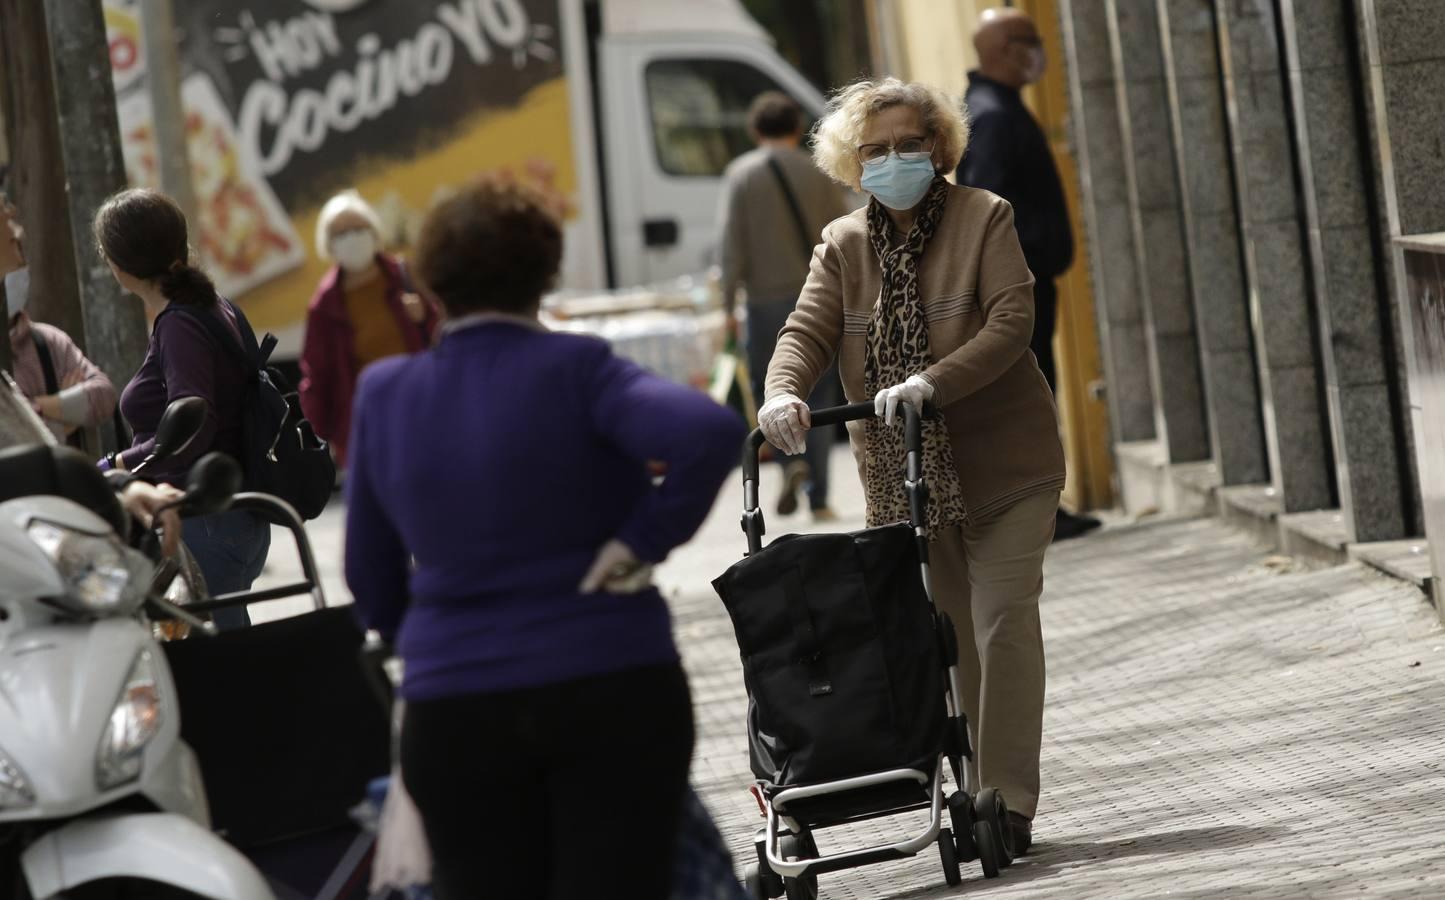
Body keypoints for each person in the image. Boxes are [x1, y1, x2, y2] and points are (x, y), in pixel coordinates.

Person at [344, 175, 742, 900]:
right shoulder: (578, 369)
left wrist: (430, 641)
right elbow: (708, 431)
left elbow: (369, 575)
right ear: (546, 273)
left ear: (430, 281)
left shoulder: (385, 394)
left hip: (455, 704)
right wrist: (640, 541)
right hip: (609, 680)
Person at [757, 78, 1065, 855]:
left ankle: (1004, 801)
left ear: (938, 148)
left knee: (1001, 625)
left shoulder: (982, 217)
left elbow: (1010, 321)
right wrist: (781, 394)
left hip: (1006, 461)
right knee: (944, 634)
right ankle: (965, 791)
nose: (894, 159)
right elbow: (804, 332)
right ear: (851, 160)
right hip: (904, 478)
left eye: (909, 143)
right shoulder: (843, 244)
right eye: (876, 148)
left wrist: (934, 382)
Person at [93, 188, 268, 630]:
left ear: (122, 263)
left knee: (216, 674)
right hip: (230, 515)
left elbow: (195, 419)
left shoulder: (180, 324)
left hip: (205, 522)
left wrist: (121, 463)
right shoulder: (209, 305)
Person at [957, 7, 1101, 542]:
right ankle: (1037, 509)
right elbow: (991, 210)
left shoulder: (999, 108)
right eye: (1028, 39)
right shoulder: (993, 114)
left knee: (1035, 392)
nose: (1038, 48)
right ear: (999, 49)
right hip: (1019, 285)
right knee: (1030, 395)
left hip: (1026, 280)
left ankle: (1042, 506)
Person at [718, 91, 850, 522]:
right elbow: (843, 232)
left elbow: (732, 248)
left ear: (755, 131)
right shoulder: (819, 170)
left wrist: (725, 305)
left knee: (771, 390)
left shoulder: (741, 175)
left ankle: (788, 459)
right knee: (823, 393)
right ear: (797, 128)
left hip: (764, 301)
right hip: (819, 296)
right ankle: (820, 495)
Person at [299, 190, 439, 469]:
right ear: (329, 243)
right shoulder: (325, 304)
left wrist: (424, 316)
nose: (350, 237)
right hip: (367, 421)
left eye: (357, 228)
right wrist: (318, 439)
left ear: (373, 231)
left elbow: (444, 334)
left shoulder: (404, 276)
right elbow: (317, 374)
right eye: (340, 232)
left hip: (423, 408)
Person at [7, 265, 119, 445]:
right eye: (11, 245)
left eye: (21, 248)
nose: (20, 263)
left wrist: (31, 406)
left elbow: (104, 396)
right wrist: (66, 413)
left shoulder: (48, 340)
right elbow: (15, 441)